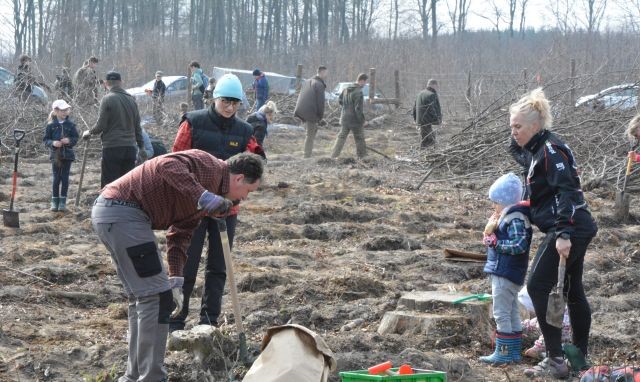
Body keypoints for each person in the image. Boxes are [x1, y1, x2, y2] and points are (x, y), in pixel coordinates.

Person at [92, 150, 263, 382]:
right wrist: (202, 195)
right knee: (155, 298)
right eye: (247, 193)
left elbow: (179, 235)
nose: (243, 199)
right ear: (239, 178)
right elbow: (165, 165)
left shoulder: (207, 199)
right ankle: (151, 377)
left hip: (118, 215)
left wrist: (176, 279)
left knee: (144, 298)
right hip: (123, 212)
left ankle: (134, 376)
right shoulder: (208, 165)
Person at [510, 88, 598, 379]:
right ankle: (578, 357)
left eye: (518, 126)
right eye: (511, 126)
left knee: (537, 286)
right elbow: (535, 177)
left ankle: (556, 358)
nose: (513, 131)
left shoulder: (551, 150)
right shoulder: (537, 149)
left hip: (571, 226)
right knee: (573, 290)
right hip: (574, 225)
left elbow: (568, 191)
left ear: (535, 126)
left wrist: (563, 233)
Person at [170, 73, 265, 332]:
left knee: (218, 266)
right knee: (187, 265)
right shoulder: (193, 123)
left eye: (235, 103)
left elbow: (255, 164)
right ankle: (176, 320)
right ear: (215, 98)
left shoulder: (245, 132)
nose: (230, 107)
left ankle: (209, 322)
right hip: (194, 207)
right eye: (226, 101)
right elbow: (175, 161)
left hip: (227, 210)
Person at [478, 173, 532, 365]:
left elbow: (519, 245)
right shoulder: (510, 216)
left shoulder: (514, 217)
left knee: (501, 313)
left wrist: (495, 243)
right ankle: (514, 352)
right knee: (511, 311)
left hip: (505, 272)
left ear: (505, 201)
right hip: (508, 271)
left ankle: (504, 352)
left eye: (496, 202)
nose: (494, 207)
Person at [82, 71, 145, 188]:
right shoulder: (132, 100)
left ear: (105, 83)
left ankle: (108, 206)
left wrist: (89, 132)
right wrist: (141, 147)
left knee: (109, 185)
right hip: (130, 148)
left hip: (112, 147)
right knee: (126, 185)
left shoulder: (108, 99)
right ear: (121, 82)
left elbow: (101, 125)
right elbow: (137, 127)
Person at [43, 99, 79, 212]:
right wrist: (53, 143)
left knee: (65, 178)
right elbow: (45, 140)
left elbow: (75, 138)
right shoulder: (50, 125)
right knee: (56, 178)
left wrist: (69, 140)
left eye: (66, 110)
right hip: (55, 156)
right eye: (62, 110)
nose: (65, 112)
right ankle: (55, 202)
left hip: (68, 155)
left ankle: (62, 202)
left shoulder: (71, 125)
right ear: (56, 111)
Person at [331, 73, 369, 159]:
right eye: (365, 82)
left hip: (344, 118)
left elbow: (340, 101)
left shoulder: (346, 89)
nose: (365, 84)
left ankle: (333, 156)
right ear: (361, 81)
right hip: (354, 120)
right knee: (359, 138)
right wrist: (363, 121)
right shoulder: (358, 92)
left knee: (341, 137)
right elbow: (358, 109)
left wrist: (346, 109)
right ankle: (363, 157)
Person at [294, 66, 328, 158]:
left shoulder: (308, 81)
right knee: (310, 135)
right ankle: (306, 156)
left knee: (312, 132)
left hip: (303, 111)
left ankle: (307, 152)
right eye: (326, 72)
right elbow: (320, 102)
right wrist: (320, 116)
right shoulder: (319, 84)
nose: (326, 74)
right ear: (321, 72)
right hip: (311, 113)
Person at [412, 79, 442, 148]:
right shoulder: (432, 95)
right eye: (437, 86)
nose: (437, 88)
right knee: (429, 141)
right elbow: (433, 109)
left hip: (421, 122)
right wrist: (438, 120)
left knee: (426, 140)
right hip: (428, 122)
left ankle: (424, 155)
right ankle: (425, 156)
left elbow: (414, 109)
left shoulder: (419, 94)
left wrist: (415, 120)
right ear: (433, 85)